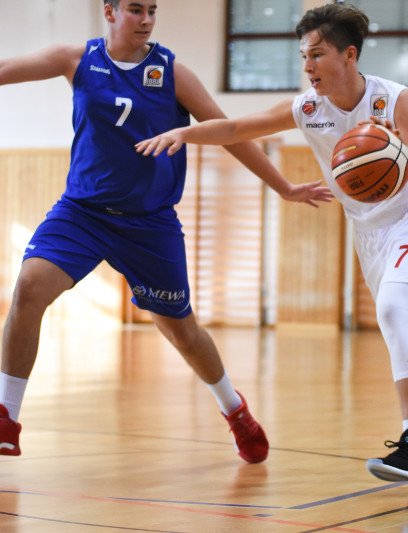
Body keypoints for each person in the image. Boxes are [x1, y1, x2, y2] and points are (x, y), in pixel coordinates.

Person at [136, 2, 408, 486]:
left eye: (316, 55)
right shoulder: (308, 108)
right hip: (372, 232)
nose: (307, 67)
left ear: (349, 55)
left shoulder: (395, 100)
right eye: (303, 56)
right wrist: (182, 132)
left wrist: (395, 148)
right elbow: (238, 128)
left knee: (390, 311)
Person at [0, 0, 332, 461]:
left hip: (150, 224)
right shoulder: (75, 59)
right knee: (30, 286)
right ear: (110, 12)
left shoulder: (172, 72)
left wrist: (284, 187)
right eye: (136, 10)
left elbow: (230, 131)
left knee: (183, 333)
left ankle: (234, 409)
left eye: (152, 10)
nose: (147, 20)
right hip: (83, 212)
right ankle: (6, 416)